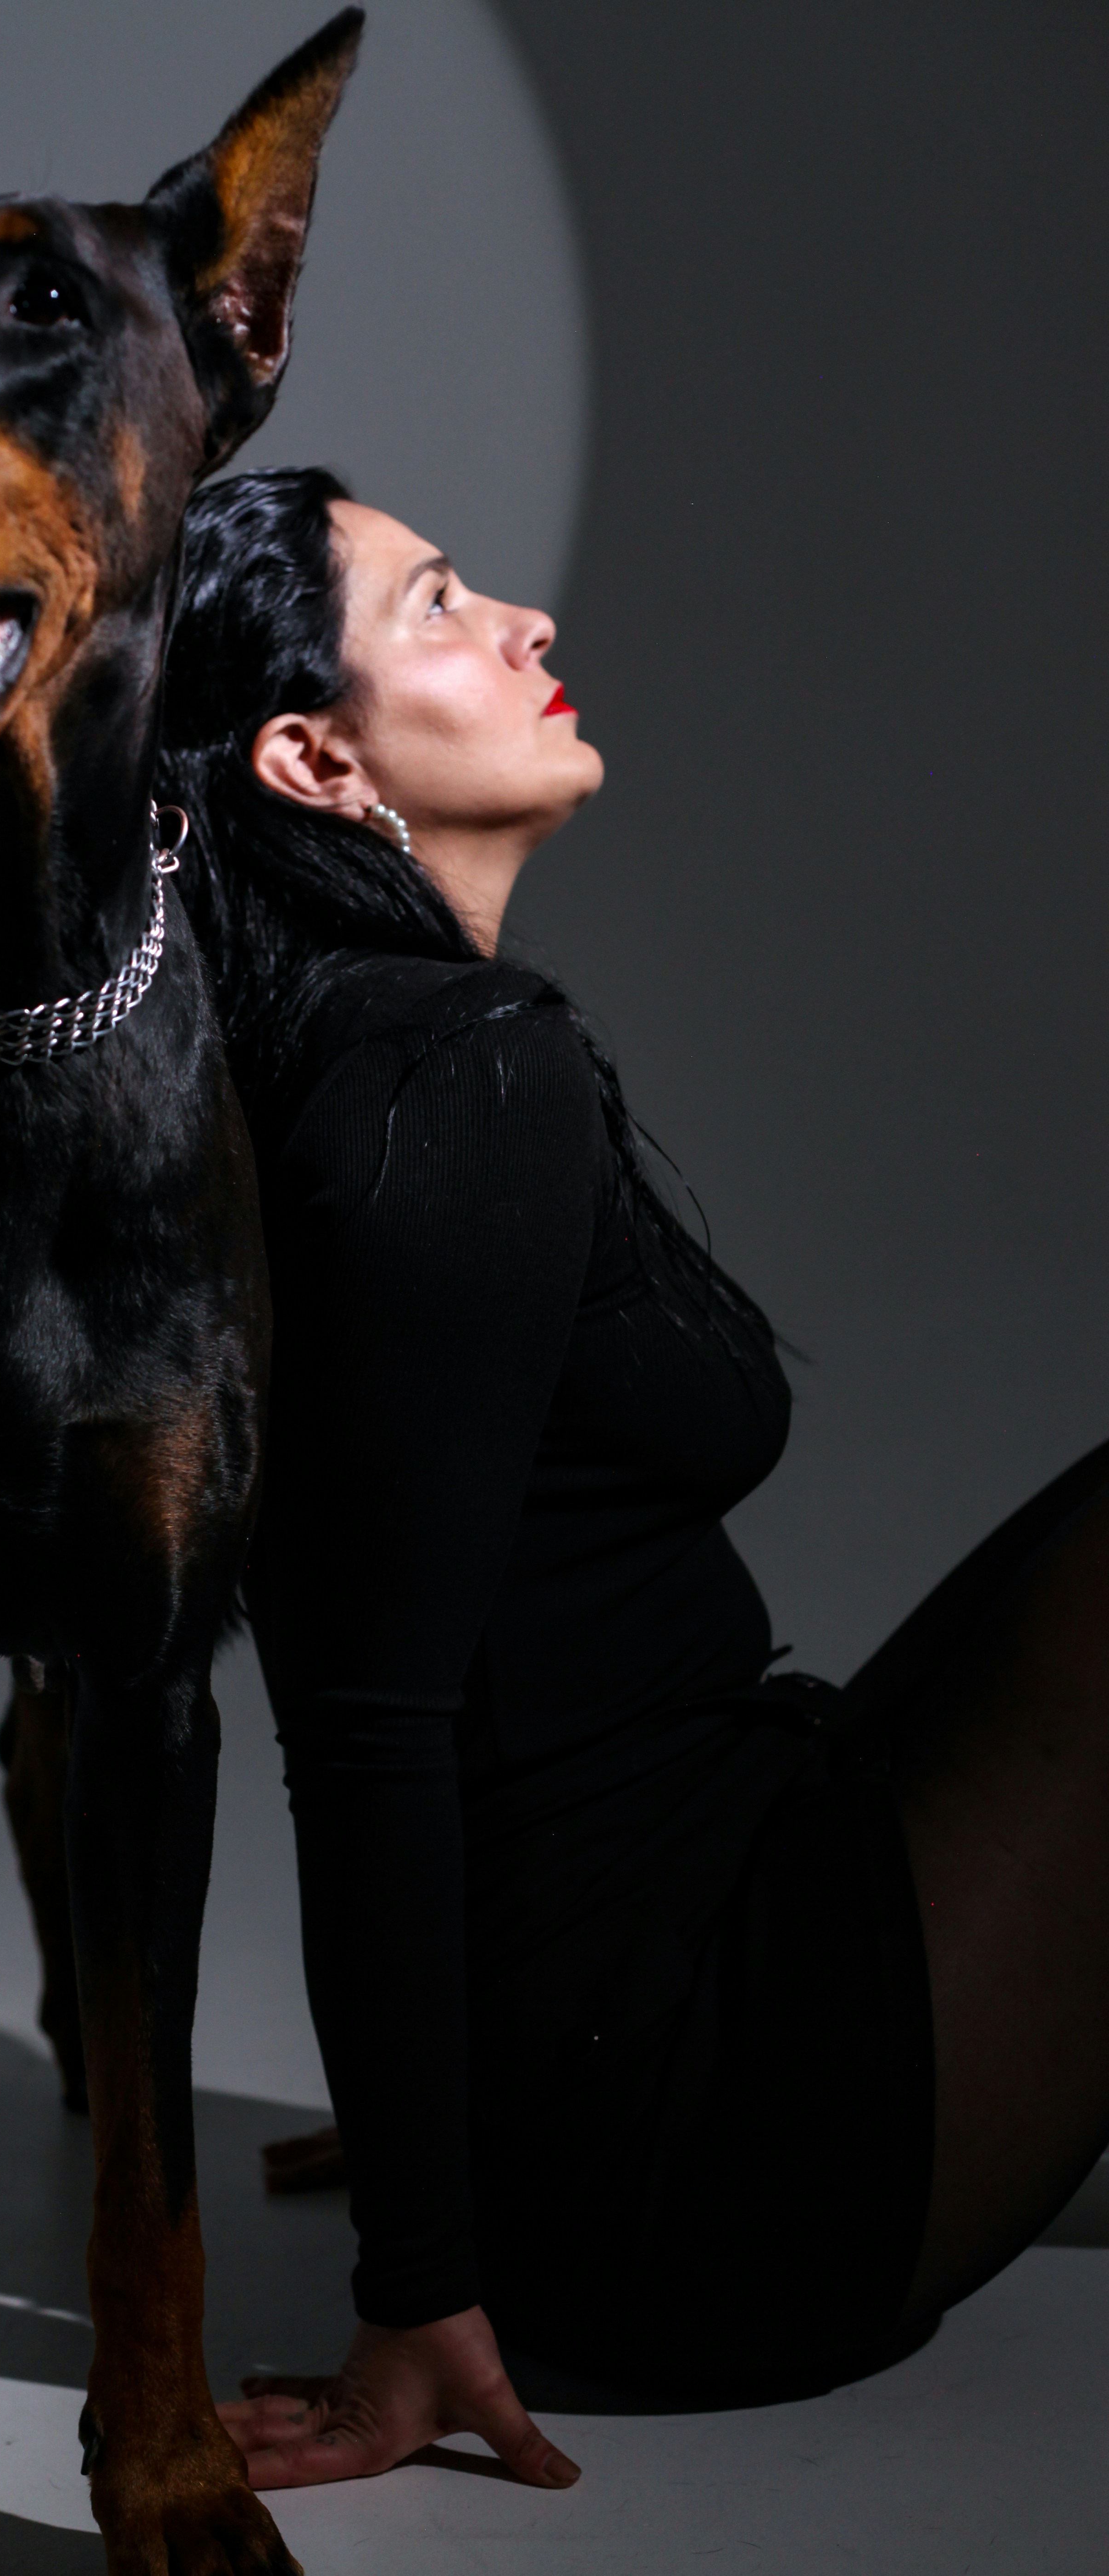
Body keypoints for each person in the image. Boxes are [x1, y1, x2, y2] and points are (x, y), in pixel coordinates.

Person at [151, 465, 1109, 2495]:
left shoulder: (349, 1059)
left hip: (672, 1933)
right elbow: (367, 1723)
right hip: (696, 2129)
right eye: (437, 606)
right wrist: (426, 2265)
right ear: (316, 760)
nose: (527, 624)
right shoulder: (450, 1075)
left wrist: (433, 2103)